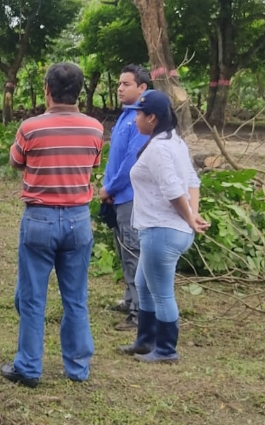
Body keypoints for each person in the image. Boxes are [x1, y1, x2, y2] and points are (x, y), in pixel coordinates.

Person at [1, 63, 104, 387]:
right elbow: (92, 164)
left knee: (32, 298)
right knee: (76, 297)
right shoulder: (95, 128)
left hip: (40, 218)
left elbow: (15, 161)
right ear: (80, 91)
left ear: (47, 90)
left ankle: (29, 367)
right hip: (78, 219)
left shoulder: (30, 127)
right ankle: (78, 367)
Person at [116, 90, 209, 364]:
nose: (135, 120)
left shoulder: (158, 149)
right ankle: (145, 341)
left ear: (152, 118)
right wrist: (193, 213)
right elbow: (193, 181)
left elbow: (173, 190)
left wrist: (189, 216)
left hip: (162, 230)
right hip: (163, 228)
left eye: (139, 114)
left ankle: (166, 349)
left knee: (161, 291)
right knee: (144, 285)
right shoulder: (174, 142)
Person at [98, 65, 152, 331]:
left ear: (142, 88)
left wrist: (111, 188)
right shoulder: (125, 116)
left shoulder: (142, 120)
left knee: (132, 252)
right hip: (117, 196)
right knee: (123, 250)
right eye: (119, 83)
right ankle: (130, 299)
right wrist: (108, 187)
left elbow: (132, 161)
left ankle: (139, 312)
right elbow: (116, 158)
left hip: (131, 196)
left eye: (126, 84)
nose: (120, 88)